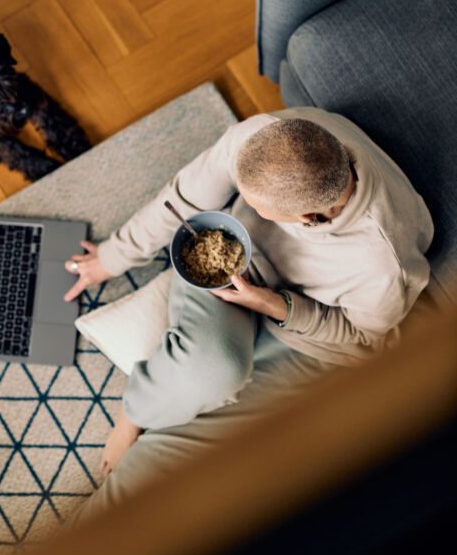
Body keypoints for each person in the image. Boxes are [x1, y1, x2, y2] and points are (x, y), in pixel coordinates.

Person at [64, 108, 434, 515]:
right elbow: (183, 199)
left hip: (308, 336)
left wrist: (276, 306)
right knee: (210, 368)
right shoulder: (268, 138)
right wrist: (114, 257)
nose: (246, 206)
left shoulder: (383, 267)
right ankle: (135, 409)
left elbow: (361, 337)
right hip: (230, 267)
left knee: (172, 480)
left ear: (306, 219)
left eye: (259, 209)